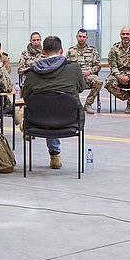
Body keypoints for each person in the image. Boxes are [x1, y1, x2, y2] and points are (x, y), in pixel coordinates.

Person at [21, 35, 85, 169]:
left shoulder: (32, 73)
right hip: (70, 119)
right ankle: (55, 155)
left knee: (47, 107)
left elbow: (26, 96)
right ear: (61, 50)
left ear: (42, 51)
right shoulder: (73, 69)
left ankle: (54, 154)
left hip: (39, 121)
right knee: (56, 107)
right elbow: (81, 88)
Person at [67, 28, 102, 114]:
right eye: (80, 36)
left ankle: (88, 104)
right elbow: (66, 65)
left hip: (88, 75)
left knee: (98, 82)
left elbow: (98, 66)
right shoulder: (71, 51)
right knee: (65, 83)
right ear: (76, 37)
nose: (81, 38)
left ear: (86, 38)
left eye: (83, 37)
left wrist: (89, 72)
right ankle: (74, 105)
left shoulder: (92, 50)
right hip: (75, 76)